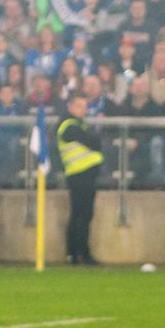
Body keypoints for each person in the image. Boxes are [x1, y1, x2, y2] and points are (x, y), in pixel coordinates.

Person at [56, 93, 104, 265]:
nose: (83, 110)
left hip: (84, 175)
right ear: (70, 107)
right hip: (79, 175)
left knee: (81, 214)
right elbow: (95, 142)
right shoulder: (69, 126)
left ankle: (75, 253)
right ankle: (80, 253)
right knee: (82, 215)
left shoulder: (79, 125)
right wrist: (94, 140)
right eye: (79, 106)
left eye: (85, 106)